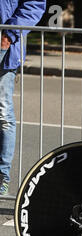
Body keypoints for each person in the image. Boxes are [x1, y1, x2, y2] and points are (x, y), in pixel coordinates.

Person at [0, 0, 46, 195]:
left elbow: (34, 4)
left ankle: (2, 177)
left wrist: (8, 35)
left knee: (2, 114)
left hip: (4, 47)